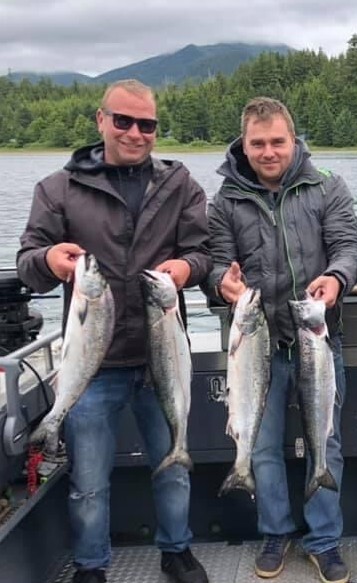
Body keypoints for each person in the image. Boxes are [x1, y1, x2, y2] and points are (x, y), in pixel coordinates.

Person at [16, 79, 212, 583]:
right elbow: (28, 263)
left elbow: (203, 253)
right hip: (92, 368)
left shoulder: (180, 184)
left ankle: (176, 549)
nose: (134, 133)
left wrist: (187, 268)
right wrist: (49, 259)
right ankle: (91, 565)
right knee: (88, 481)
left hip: (161, 357)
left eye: (147, 124)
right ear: (101, 120)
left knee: (173, 467)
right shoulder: (57, 189)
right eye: (123, 121)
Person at [205, 96, 357, 583]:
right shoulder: (225, 201)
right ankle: (275, 532)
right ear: (244, 144)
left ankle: (325, 540)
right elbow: (215, 262)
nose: (269, 152)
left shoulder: (327, 186)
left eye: (277, 141)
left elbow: (347, 246)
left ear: (294, 140)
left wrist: (337, 277)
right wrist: (222, 281)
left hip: (319, 340)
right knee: (261, 444)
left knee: (325, 444)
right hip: (256, 347)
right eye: (258, 143)